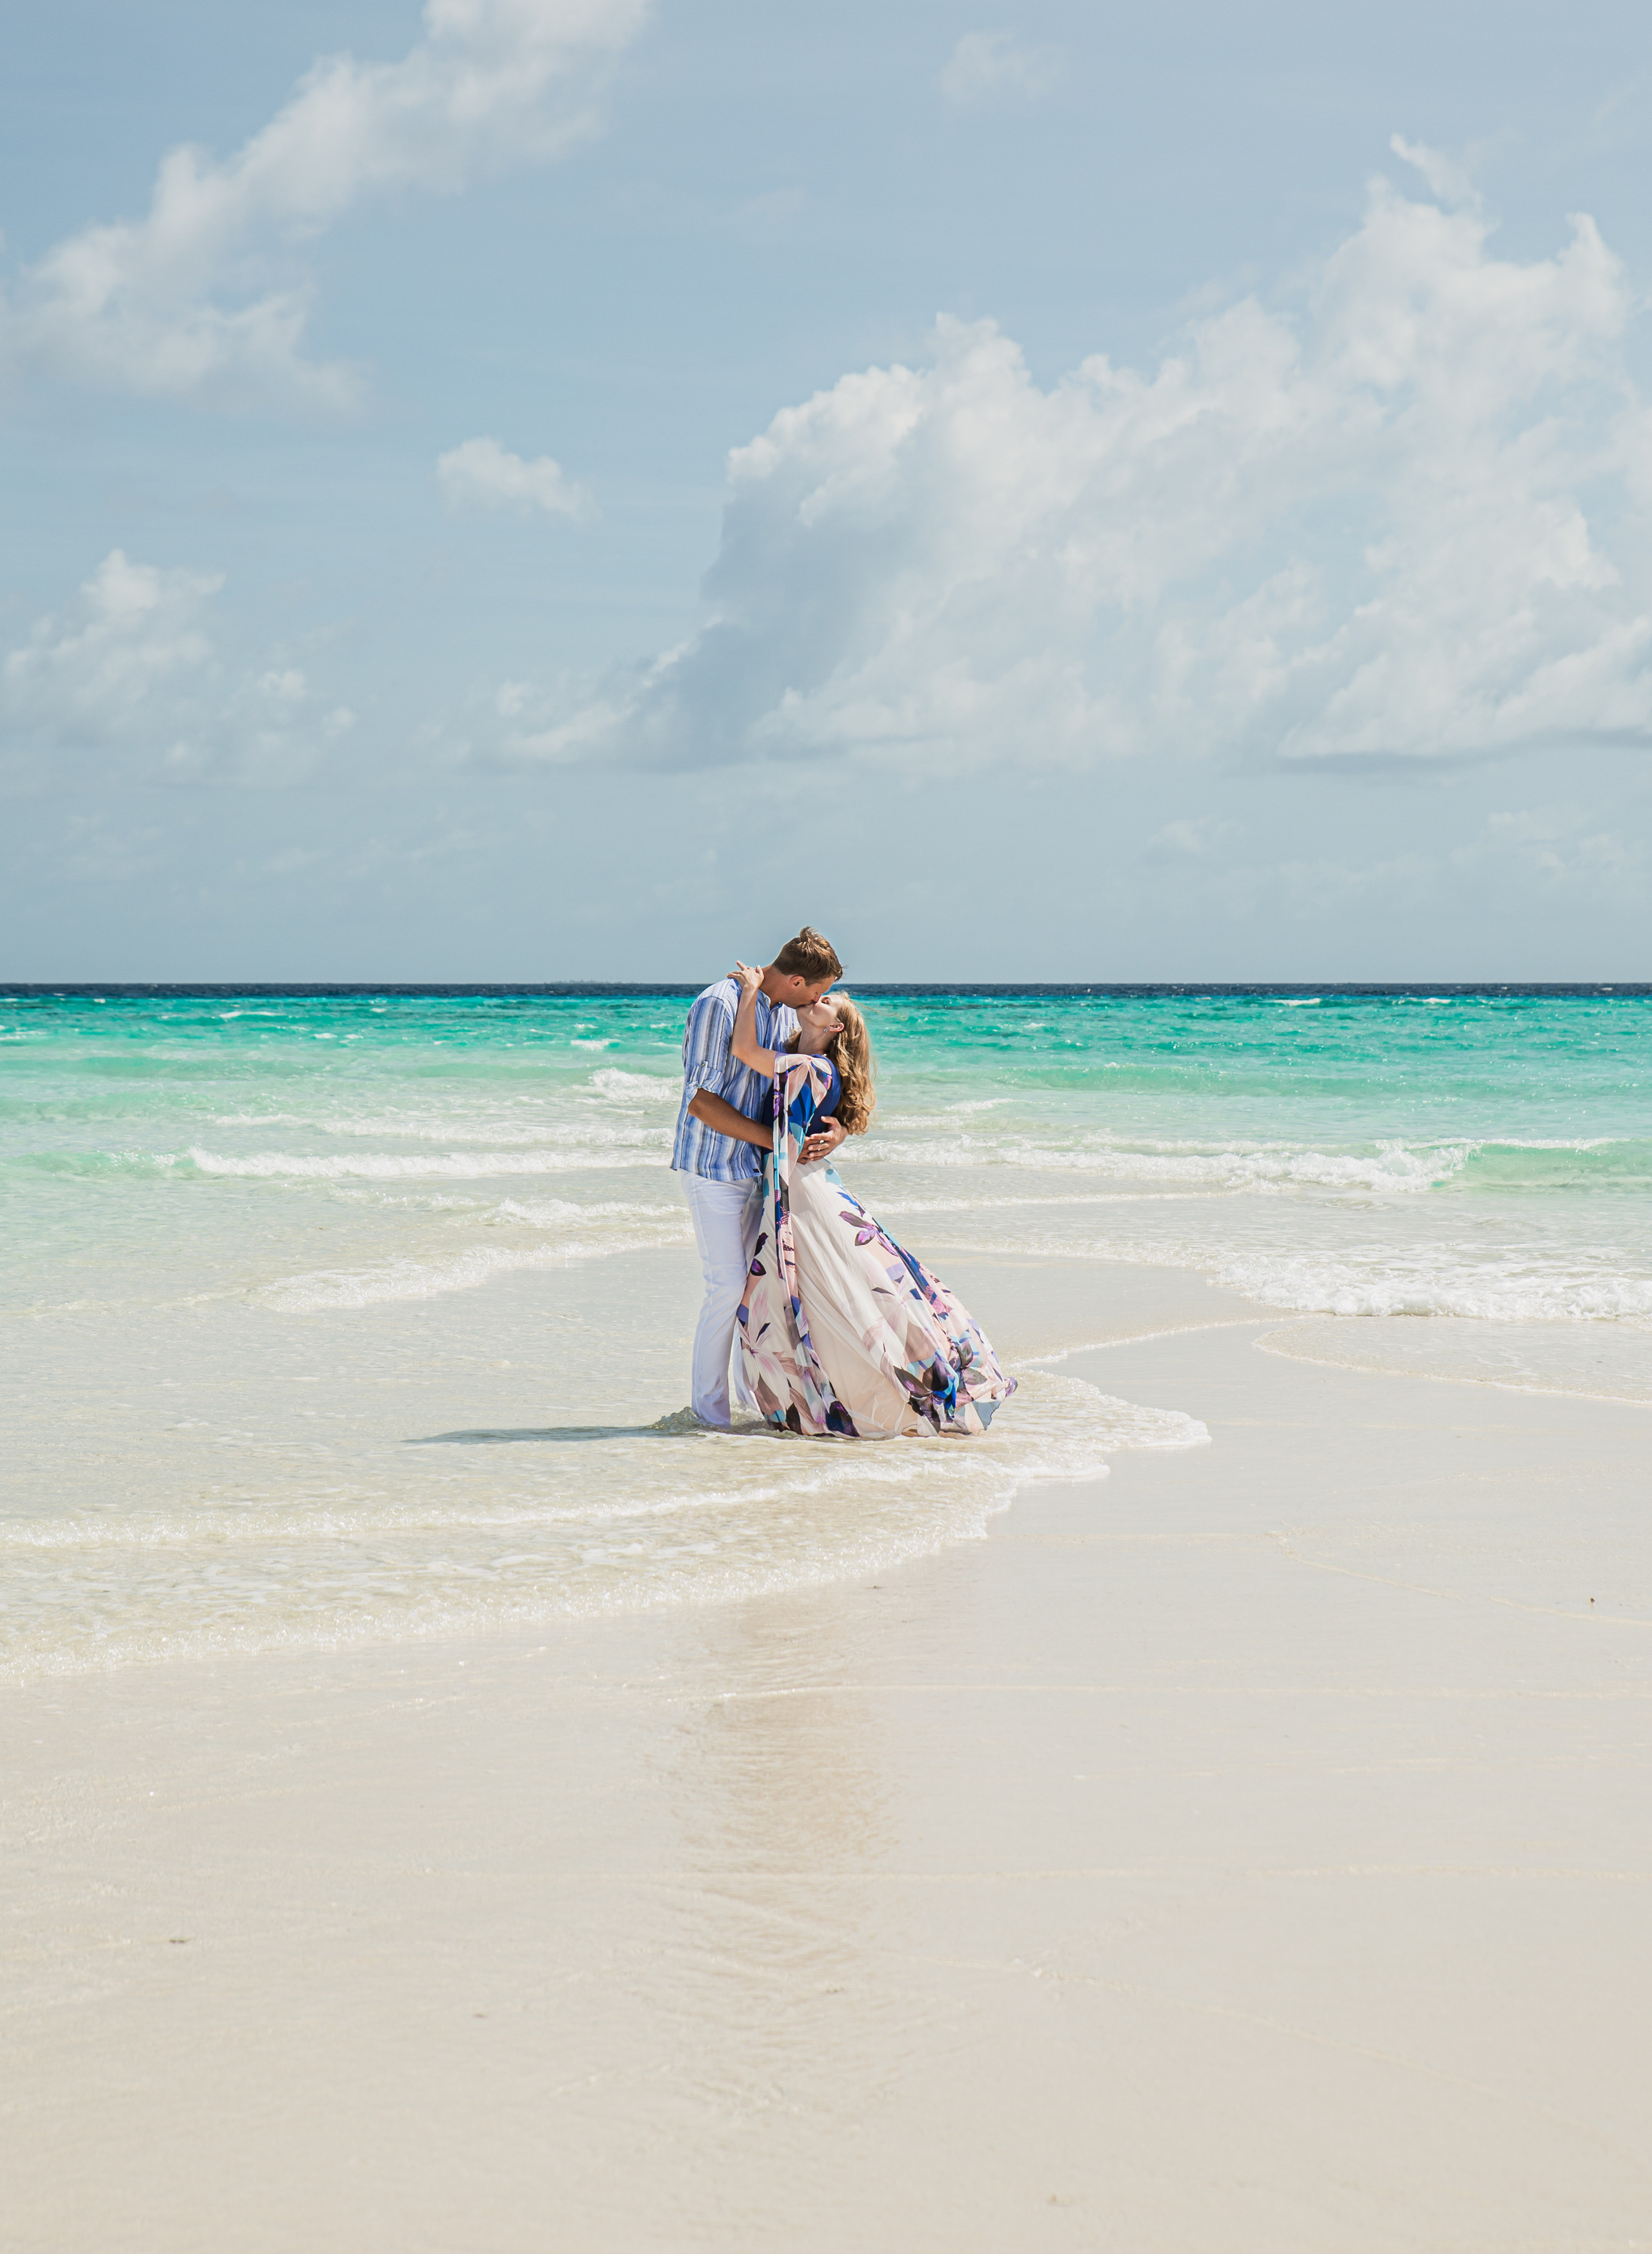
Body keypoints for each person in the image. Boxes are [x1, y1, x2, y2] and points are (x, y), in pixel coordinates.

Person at [729, 963, 1015, 1439]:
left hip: (803, 1192)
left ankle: (879, 1399)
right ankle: (842, 1399)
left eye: (825, 1004)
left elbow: (742, 1051)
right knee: (827, 1299)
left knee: (840, 1298)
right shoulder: (793, 1054)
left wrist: (751, 992)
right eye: (818, 996)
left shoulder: (811, 1067)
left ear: (834, 1027)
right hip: (804, 1187)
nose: (815, 1002)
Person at [670, 928, 847, 1428]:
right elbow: (700, 1102)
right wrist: (775, 1142)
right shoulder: (720, 1004)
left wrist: (838, 1133)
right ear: (795, 981)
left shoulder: (774, 1013)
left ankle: (755, 1407)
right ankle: (710, 1416)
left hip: (757, 1174)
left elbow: (818, 1088)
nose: (817, 1001)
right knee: (724, 1288)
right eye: (815, 992)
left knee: (753, 1292)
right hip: (714, 1167)